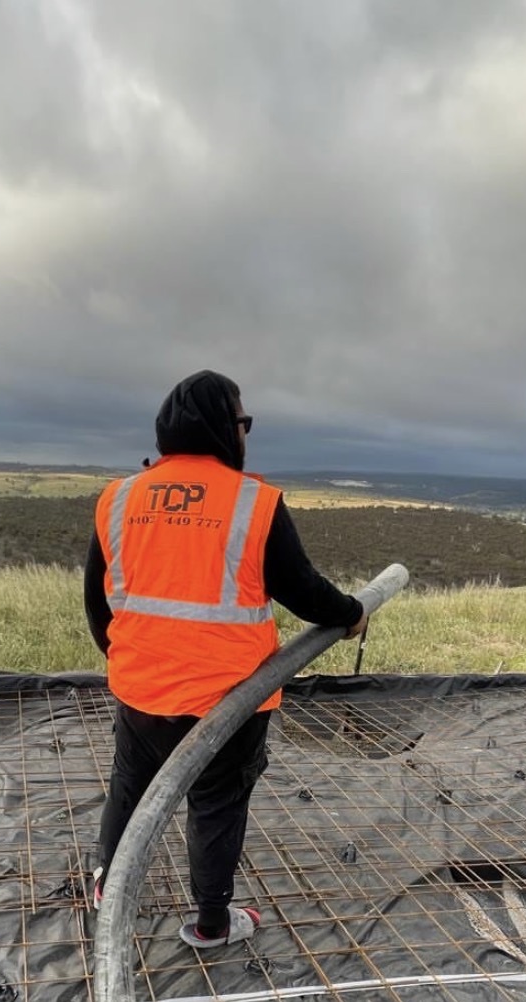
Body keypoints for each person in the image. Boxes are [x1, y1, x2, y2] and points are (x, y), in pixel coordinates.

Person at [84, 370, 365, 948]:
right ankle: (211, 923)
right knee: (216, 805)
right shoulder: (253, 504)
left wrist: (131, 664)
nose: (246, 434)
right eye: (244, 422)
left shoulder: (119, 498)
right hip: (228, 702)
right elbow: (304, 589)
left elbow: (98, 601)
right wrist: (352, 612)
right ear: (223, 428)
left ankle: (111, 889)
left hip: (142, 693)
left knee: (131, 787)